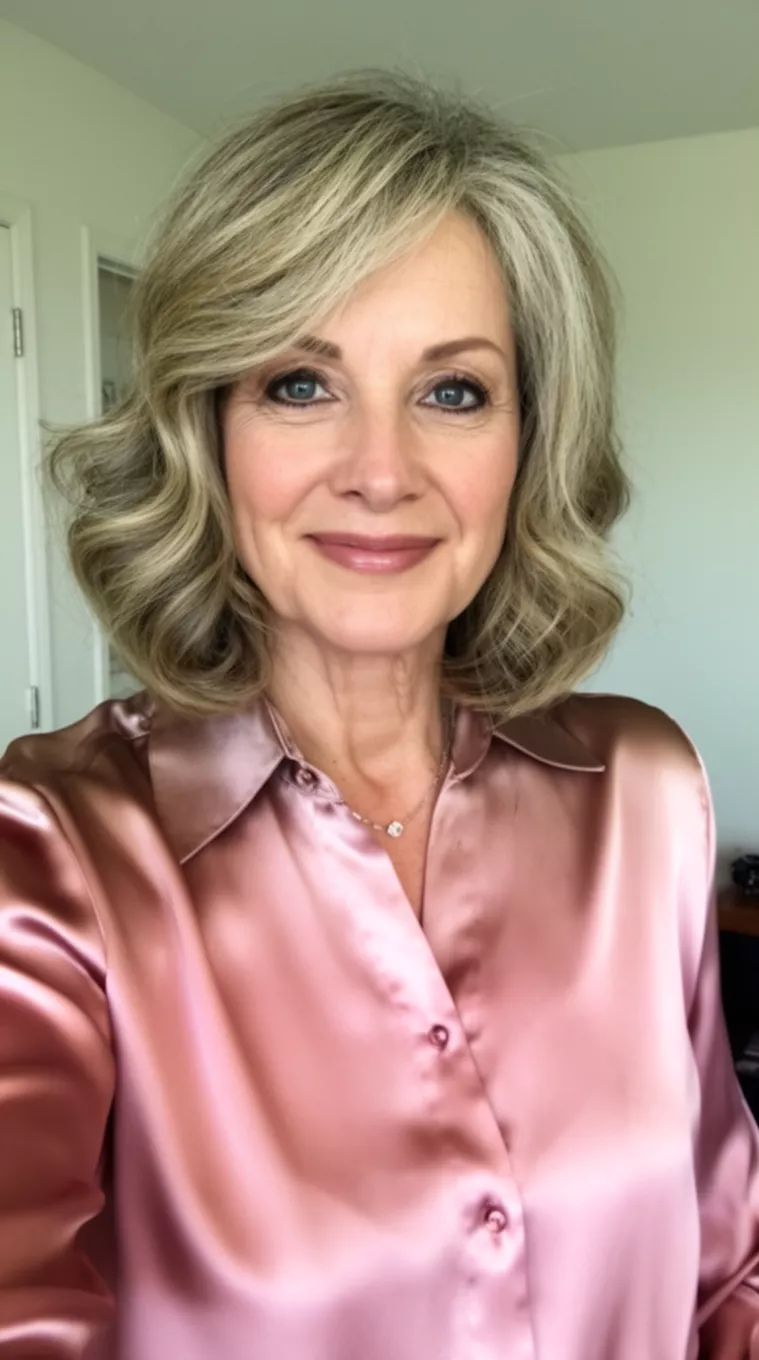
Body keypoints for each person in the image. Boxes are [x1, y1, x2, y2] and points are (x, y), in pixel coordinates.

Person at [0, 69, 757, 1360]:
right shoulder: (51, 852)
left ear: (528, 439)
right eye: (301, 383)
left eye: (452, 391)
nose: (381, 470)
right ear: (206, 426)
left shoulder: (642, 787)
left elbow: (727, 1269)